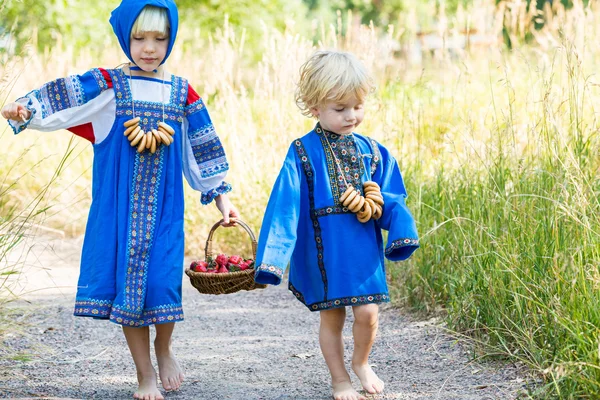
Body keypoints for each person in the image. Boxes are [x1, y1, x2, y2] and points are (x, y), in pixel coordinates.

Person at [1, 1, 239, 399]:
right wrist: (27, 110)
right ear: (125, 37)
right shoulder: (109, 86)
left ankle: (164, 350)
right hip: (119, 211)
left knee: (163, 285)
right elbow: (63, 98)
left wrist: (220, 195)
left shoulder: (181, 93)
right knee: (130, 292)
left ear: (171, 38)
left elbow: (200, 145)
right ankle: (144, 374)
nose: (149, 47)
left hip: (165, 211)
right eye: (139, 37)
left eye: (160, 39)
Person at [254, 50, 419, 400]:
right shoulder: (301, 151)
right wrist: (272, 259)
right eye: (340, 108)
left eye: (357, 106)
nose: (351, 116)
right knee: (333, 318)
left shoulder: (373, 152)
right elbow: (284, 204)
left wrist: (397, 225)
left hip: (361, 246)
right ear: (315, 107)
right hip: (323, 249)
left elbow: (391, 197)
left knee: (369, 313)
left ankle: (361, 361)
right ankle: (339, 378)